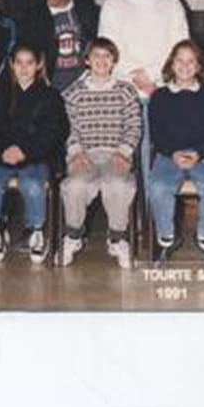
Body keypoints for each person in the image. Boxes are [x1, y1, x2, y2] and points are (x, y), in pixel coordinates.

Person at [97, 0, 189, 195]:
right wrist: (134, 75)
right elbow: (107, 48)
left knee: (160, 152)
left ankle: (153, 215)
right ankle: (130, 220)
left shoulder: (171, 2)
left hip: (163, 88)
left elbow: (180, 47)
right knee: (125, 156)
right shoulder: (114, 3)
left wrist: (154, 78)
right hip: (124, 89)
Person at [0, 42, 68, 263]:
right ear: (11, 65)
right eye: (19, 63)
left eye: (29, 63)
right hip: (1, 157)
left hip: (35, 157)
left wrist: (25, 151)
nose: (24, 68)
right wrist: (3, 150)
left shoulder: (50, 96)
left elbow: (54, 132)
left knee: (32, 184)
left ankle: (37, 231)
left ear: (38, 65)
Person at [60, 38, 141, 270]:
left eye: (107, 56)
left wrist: (124, 152)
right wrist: (75, 152)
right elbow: (67, 126)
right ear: (86, 61)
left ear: (114, 61)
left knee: (118, 184)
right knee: (75, 185)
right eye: (96, 56)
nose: (101, 61)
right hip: (84, 154)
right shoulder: (73, 93)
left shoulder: (125, 91)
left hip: (116, 153)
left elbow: (134, 125)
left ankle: (117, 238)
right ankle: (73, 236)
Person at [148, 40, 204, 266]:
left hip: (203, 155)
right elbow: (157, 133)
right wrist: (172, 153)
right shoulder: (160, 97)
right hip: (168, 155)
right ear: (171, 64)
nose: (185, 66)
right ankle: (166, 238)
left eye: (191, 61)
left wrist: (199, 154)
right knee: (158, 186)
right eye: (180, 61)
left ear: (199, 66)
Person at [19, 0, 99, 93]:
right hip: (50, 84)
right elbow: (29, 50)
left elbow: (95, 43)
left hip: (84, 84)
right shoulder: (34, 16)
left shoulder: (85, 11)